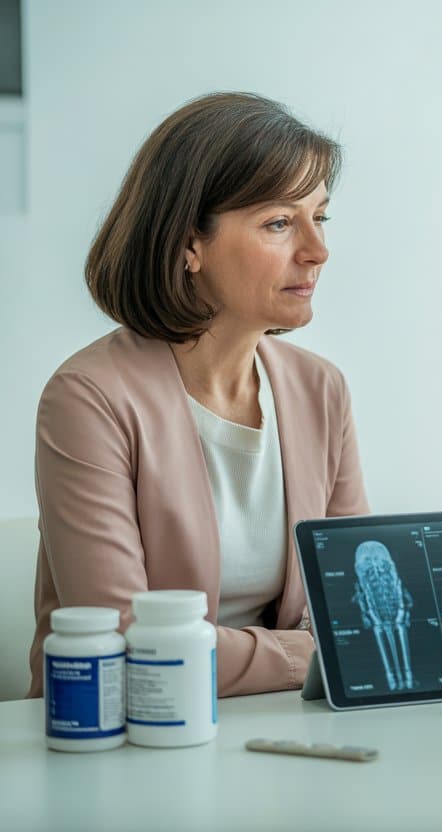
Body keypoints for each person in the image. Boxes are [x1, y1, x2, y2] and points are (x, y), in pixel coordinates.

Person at [27, 93, 369, 698]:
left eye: (322, 217)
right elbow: (128, 639)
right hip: (125, 733)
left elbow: (354, 606)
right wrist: (308, 655)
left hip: (288, 723)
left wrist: (330, 649)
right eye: (279, 223)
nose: (318, 250)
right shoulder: (88, 398)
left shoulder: (321, 389)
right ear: (190, 245)